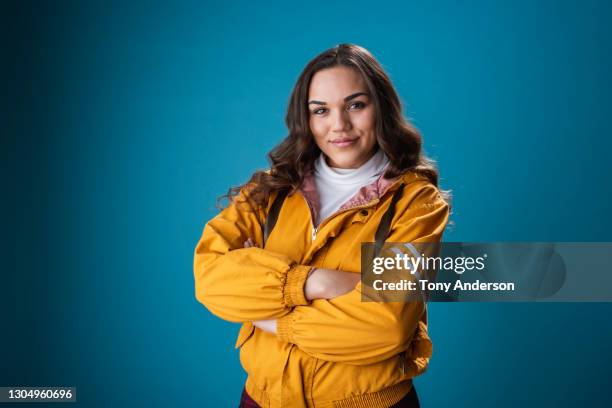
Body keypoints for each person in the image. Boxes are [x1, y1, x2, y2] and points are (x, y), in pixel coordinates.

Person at [194, 44, 450, 408]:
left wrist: (271, 316)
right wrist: (318, 282)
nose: (339, 125)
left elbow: (387, 325)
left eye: (355, 105)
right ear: (306, 119)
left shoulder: (416, 204)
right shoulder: (268, 190)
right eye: (321, 111)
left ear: (382, 109)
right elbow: (210, 277)